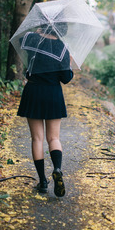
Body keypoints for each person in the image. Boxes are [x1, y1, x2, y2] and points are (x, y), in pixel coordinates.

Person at [17, 23, 73, 197]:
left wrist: (37, 33)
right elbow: (66, 78)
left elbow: (19, 41)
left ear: (45, 26)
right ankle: (57, 169)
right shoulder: (63, 48)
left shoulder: (32, 39)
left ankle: (42, 181)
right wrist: (68, 63)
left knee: (37, 139)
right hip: (53, 94)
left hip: (33, 91)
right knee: (53, 137)